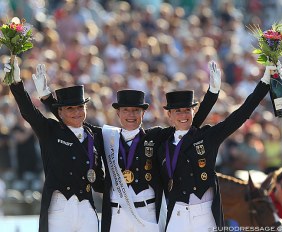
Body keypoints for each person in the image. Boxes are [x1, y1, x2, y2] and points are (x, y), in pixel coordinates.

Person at [35, 61, 221, 232]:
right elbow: (72, 119)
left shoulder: (154, 136)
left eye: (136, 111)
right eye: (126, 110)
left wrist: (212, 94)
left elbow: (187, 123)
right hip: (117, 215)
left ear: (143, 113)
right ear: (118, 113)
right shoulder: (106, 136)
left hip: (147, 213)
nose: (131, 115)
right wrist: (46, 98)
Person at [156, 62, 279, 232]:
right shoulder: (163, 143)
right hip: (177, 215)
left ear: (194, 111)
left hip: (206, 215)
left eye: (187, 110)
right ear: (169, 114)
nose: (183, 115)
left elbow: (241, 114)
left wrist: (265, 81)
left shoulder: (208, 136)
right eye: (178, 111)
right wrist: (212, 94)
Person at [3, 60, 104, 232]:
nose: (77, 112)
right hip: (59, 205)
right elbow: (29, 112)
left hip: (87, 205)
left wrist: (47, 97)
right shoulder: (50, 130)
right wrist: (16, 84)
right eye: (70, 108)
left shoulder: (94, 134)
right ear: (60, 112)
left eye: (81, 107)